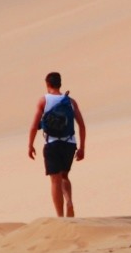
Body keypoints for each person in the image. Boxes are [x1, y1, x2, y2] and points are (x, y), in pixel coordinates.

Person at [27, 72, 87, 218]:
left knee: (55, 180)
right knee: (64, 176)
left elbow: (34, 126)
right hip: (69, 144)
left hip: (52, 143)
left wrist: (30, 145)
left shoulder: (44, 101)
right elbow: (82, 126)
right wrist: (82, 148)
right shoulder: (71, 102)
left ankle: (60, 217)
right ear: (60, 84)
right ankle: (69, 202)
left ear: (48, 84)